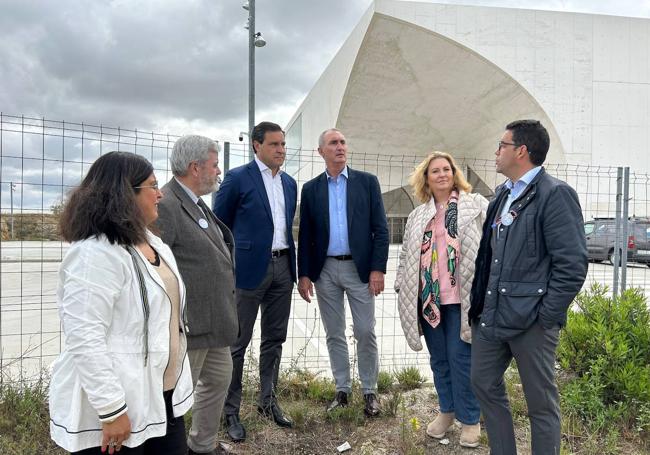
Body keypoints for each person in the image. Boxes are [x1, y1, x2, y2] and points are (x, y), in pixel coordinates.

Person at [49, 152, 193, 454]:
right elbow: (84, 337)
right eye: (152, 185)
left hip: (160, 394)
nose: (160, 193)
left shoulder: (154, 244)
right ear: (125, 194)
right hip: (120, 404)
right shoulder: (94, 254)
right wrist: (111, 409)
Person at [469, 120, 588, 455]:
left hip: (532, 322)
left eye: (501, 145)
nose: (496, 151)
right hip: (492, 316)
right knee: (482, 383)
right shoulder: (503, 195)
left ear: (521, 151)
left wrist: (546, 317)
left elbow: (572, 264)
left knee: (540, 404)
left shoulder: (554, 194)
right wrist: (479, 307)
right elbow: (488, 257)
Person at [395, 152, 487, 447]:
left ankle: (470, 419)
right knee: (440, 360)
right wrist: (401, 283)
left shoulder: (476, 206)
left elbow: (491, 246)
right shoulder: (418, 215)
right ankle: (447, 412)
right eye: (435, 171)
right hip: (430, 300)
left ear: (454, 173)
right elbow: (407, 255)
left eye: (447, 169)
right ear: (426, 178)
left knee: (462, 359)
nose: (442, 174)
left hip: (463, 298)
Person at [213, 121, 297, 441]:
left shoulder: (289, 184)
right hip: (247, 271)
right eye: (274, 144)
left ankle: (268, 402)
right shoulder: (237, 178)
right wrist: (226, 268)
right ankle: (230, 410)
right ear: (256, 146)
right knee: (237, 343)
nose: (281, 150)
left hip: (282, 268)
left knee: (274, 340)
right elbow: (219, 225)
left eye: (283, 145)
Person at [155, 135, 238, 455]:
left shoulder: (196, 200)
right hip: (189, 325)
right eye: (214, 165)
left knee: (218, 381)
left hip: (215, 323)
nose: (219, 172)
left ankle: (201, 445)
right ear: (195, 167)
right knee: (174, 394)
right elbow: (158, 268)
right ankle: (167, 448)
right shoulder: (167, 205)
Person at [297, 128, 389, 417]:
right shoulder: (311, 189)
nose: (340, 147)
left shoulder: (367, 183)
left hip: (359, 270)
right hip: (325, 271)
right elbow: (306, 235)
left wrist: (377, 268)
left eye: (343, 142)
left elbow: (381, 229)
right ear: (321, 151)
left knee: (365, 330)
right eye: (333, 143)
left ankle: (370, 391)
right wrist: (304, 274)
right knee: (334, 333)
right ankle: (342, 389)